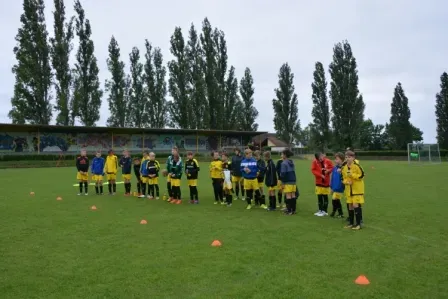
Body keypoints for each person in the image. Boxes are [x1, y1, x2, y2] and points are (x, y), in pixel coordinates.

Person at [341, 150, 365, 230]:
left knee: (355, 205)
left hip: (357, 189)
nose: (347, 159)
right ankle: (351, 223)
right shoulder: (344, 167)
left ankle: (358, 224)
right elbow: (342, 178)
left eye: (349, 157)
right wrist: (347, 182)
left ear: (353, 158)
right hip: (348, 190)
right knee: (350, 206)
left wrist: (352, 175)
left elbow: (362, 175)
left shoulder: (357, 166)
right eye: (346, 157)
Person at [279, 149, 298, 215]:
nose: (281, 155)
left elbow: (283, 174)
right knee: (293, 195)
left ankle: (289, 211)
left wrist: (283, 183)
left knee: (288, 195)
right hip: (293, 181)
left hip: (287, 181)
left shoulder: (283, 163)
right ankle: (293, 210)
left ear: (285, 155)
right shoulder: (291, 162)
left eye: (282, 154)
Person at [330, 152, 345, 217]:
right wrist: (331, 186)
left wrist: (340, 186)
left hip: (339, 187)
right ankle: (340, 213)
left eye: (337, 159)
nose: (335, 160)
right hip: (334, 187)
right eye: (335, 159)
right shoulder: (335, 168)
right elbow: (333, 177)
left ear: (342, 159)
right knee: (336, 200)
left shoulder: (343, 168)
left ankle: (335, 212)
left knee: (334, 199)